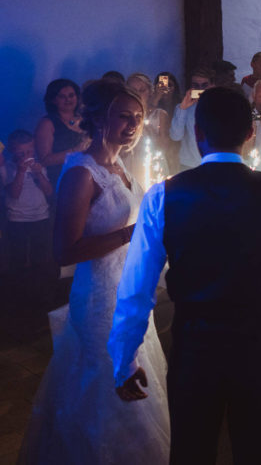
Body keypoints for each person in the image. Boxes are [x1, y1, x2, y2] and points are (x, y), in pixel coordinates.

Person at [107, 86, 261, 463]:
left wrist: (124, 357)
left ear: (197, 132)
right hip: (258, 346)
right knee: (257, 449)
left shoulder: (163, 195)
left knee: (192, 449)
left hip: (195, 348)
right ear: (250, 134)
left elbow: (137, 288)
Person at [20, 80, 170, 464]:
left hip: (127, 289)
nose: (134, 124)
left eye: (138, 117)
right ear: (100, 117)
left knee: (134, 378)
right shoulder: (82, 172)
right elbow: (64, 250)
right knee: (103, 384)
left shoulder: (118, 164)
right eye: (124, 116)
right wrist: (128, 234)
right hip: (100, 296)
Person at [2, 130, 55, 310]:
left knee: (41, 258)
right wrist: (20, 171)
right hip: (17, 220)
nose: (26, 157)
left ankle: (40, 297)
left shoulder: (39, 166)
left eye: (29, 152)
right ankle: (20, 299)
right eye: (21, 154)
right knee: (19, 260)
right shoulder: (7, 168)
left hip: (41, 217)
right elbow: (14, 194)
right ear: (12, 152)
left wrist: (39, 173)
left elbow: (48, 192)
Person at [35, 78, 88, 188]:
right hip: (62, 181)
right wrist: (75, 151)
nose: (68, 99)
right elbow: (44, 160)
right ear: (53, 100)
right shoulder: (47, 123)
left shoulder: (85, 118)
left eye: (71, 95)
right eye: (62, 96)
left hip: (86, 177)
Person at [124, 73, 170, 187]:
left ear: (150, 92)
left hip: (153, 164)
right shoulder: (121, 115)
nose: (137, 94)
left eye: (142, 90)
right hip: (128, 163)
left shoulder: (159, 115)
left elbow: (164, 146)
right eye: (133, 90)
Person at [169, 68, 213, 171]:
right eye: (196, 86)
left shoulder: (219, 106)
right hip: (188, 164)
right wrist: (183, 108)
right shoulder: (182, 108)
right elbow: (175, 136)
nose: (200, 89)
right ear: (191, 87)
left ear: (211, 86)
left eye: (204, 85)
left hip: (212, 163)